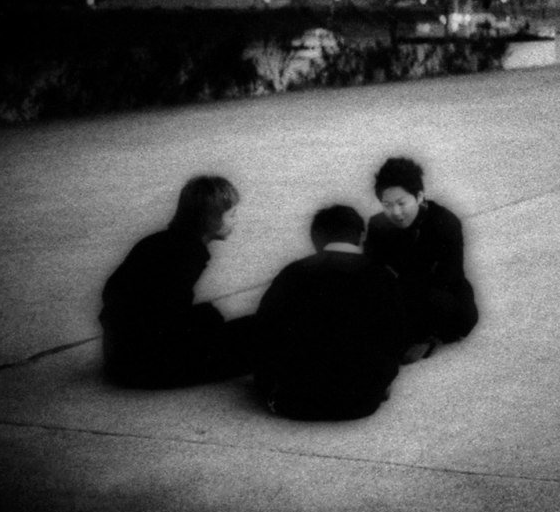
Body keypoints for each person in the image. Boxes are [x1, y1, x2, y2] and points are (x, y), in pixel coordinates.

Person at [99, 174, 255, 388]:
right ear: (211, 218)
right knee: (252, 334)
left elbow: (113, 291)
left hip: (118, 355)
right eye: (232, 215)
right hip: (146, 367)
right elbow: (167, 319)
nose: (235, 221)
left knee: (215, 319)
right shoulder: (189, 254)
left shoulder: (156, 242)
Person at [254, 204, 407, 421]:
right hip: (362, 401)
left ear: (315, 237)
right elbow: (397, 338)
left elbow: (264, 331)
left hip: (293, 400)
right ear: (361, 235)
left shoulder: (294, 273)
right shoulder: (383, 277)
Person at [364, 156, 477, 361]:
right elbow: (372, 271)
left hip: (440, 295)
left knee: (443, 306)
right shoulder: (377, 226)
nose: (395, 212)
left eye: (401, 203)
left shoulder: (445, 223)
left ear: (419, 196)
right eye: (387, 204)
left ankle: (425, 337)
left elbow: (449, 277)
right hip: (403, 294)